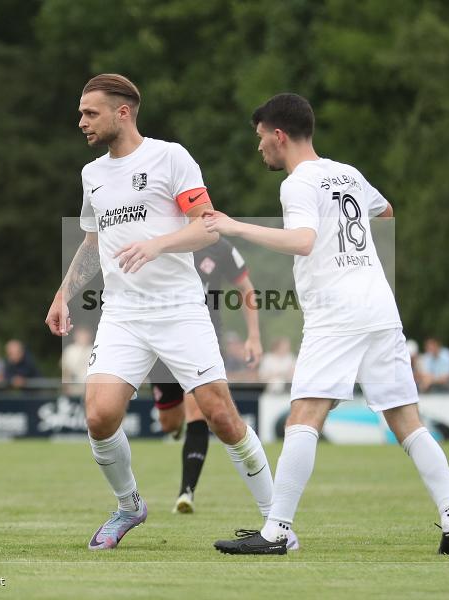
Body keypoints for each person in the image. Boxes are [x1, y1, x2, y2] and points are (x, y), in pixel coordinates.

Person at [205, 93, 449, 555]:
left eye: (260, 138)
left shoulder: (297, 183)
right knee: (408, 422)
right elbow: (385, 211)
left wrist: (235, 226)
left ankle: (276, 532)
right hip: (379, 308)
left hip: (337, 313)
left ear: (280, 135)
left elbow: (304, 241)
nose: (259, 149)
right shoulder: (346, 172)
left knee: (303, 418)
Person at [44, 74, 280, 551]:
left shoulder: (170, 157)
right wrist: (63, 293)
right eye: (81, 113)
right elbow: (92, 241)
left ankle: (278, 523)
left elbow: (208, 228)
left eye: (90, 112)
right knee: (99, 415)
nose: (81, 121)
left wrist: (157, 245)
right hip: (123, 315)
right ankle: (129, 505)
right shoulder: (92, 174)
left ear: (123, 112)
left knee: (221, 416)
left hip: (179, 310)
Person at [151, 236, 264, 515]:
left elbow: (245, 288)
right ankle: (175, 428)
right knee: (169, 422)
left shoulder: (219, 246)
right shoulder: (160, 233)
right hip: (160, 337)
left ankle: (185, 492)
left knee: (198, 411)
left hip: (202, 338)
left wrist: (254, 336)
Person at [61, 327, 94, 395]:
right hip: (74, 389)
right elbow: (66, 371)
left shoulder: (94, 350)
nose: (83, 337)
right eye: (81, 335)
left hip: (90, 388)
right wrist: (66, 387)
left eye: (85, 334)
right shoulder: (70, 350)